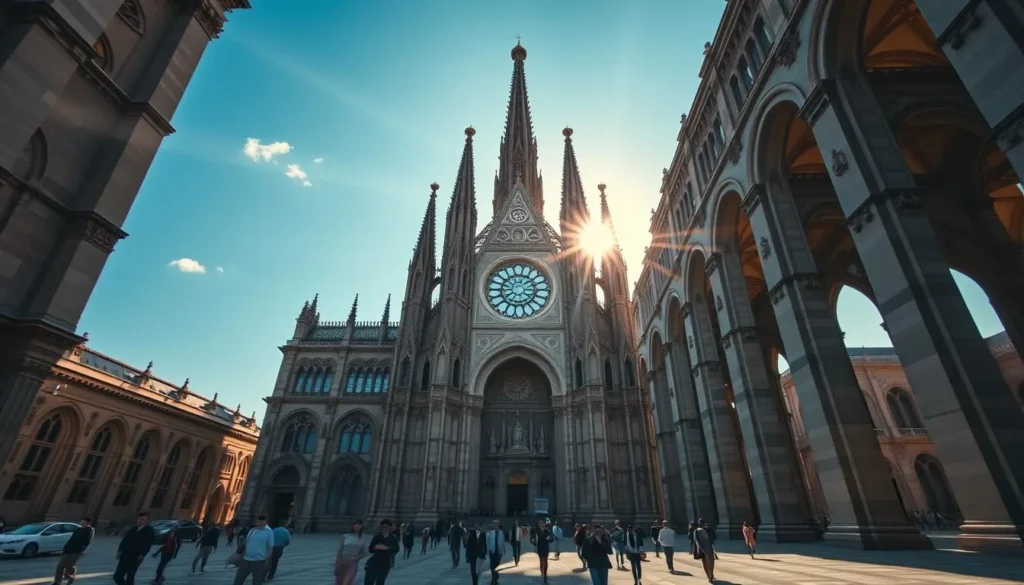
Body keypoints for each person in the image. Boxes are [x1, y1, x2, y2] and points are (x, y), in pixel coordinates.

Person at [114, 512, 155, 585]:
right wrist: (119, 551)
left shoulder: (149, 530)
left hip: (136, 557)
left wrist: (143, 554)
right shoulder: (132, 529)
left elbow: (148, 544)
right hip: (125, 555)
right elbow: (124, 540)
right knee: (117, 576)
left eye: (143, 519)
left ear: (146, 521)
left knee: (130, 576)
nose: (140, 521)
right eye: (139, 519)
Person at [233, 514, 274, 585]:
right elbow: (246, 542)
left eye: (261, 521)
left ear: (265, 522)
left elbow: (270, 547)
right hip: (246, 559)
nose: (259, 522)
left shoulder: (269, 532)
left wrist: (267, 559)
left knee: (257, 581)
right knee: (238, 580)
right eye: (258, 520)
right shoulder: (252, 530)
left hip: (259, 561)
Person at [54, 517, 94, 585]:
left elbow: (87, 542)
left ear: (87, 523)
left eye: (83, 521)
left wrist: (80, 550)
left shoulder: (89, 530)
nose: (81, 522)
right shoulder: (78, 529)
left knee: (69, 566)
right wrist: (66, 547)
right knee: (60, 566)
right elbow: (71, 539)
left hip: (76, 552)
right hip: (68, 550)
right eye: (81, 521)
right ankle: (57, 582)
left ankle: (71, 577)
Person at [334, 519, 369, 585]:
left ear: (362, 527)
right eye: (355, 524)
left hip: (352, 564)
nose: (357, 526)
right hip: (342, 561)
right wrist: (337, 564)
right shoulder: (345, 536)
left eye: (359, 525)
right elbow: (339, 551)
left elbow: (365, 552)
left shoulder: (362, 538)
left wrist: (356, 558)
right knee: (339, 582)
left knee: (347, 581)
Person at [365, 519, 399, 585]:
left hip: (385, 563)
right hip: (374, 562)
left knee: (380, 582)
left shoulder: (393, 538)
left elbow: (396, 549)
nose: (383, 528)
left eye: (385, 527)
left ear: (389, 528)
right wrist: (375, 547)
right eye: (382, 526)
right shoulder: (377, 537)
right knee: (369, 581)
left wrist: (387, 548)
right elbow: (370, 549)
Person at [692, 518, 716, 583]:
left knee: (705, 563)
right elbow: (714, 537)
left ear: (699, 523)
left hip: (701, 549)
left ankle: (709, 576)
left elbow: (695, 540)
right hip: (709, 548)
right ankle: (711, 574)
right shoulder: (709, 529)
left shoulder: (696, 531)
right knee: (711, 562)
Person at [530, 519, 554, 584]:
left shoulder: (548, 531)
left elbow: (552, 539)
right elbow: (534, 541)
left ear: (544, 524)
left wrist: (550, 539)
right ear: (539, 524)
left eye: (543, 523)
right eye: (541, 523)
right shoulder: (536, 532)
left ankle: (545, 576)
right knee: (541, 562)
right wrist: (533, 541)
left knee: (545, 562)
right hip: (540, 549)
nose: (542, 524)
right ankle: (542, 572)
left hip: (546, 549)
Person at [485, 519, 506, 585]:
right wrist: (488, 551)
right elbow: (487, 543)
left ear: (499, 525)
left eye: (497, 523)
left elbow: (503, 542)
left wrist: (503, 551)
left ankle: (496, 577)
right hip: (492, 551)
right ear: (493, 524)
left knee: (497, 566)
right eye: (494, 523)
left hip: (499, 552)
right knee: (492, 566)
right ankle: (493, 579)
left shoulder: (501, 533)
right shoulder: (490, 533)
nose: (495, 525)